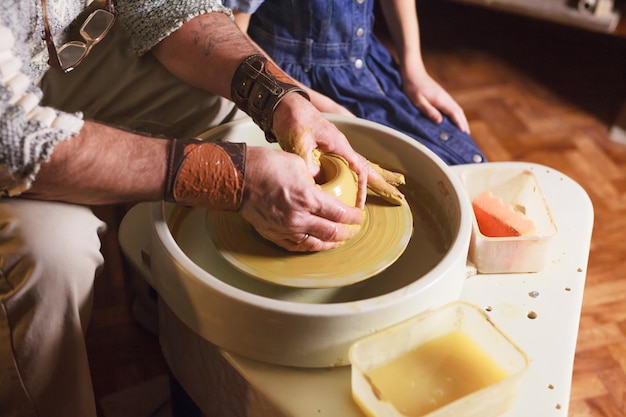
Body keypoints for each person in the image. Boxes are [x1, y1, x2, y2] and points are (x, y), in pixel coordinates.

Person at [0, 1, 404, 415]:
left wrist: (280, 97)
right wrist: (232, 180)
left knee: (226, 110)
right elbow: (9, 137)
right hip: (6, 123)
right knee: (52, 253)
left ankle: (168, 313)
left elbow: (165, 6)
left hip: (37, 61)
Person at [224, 0, 486, 165]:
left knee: (462, 162)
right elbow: (234, 32)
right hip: (290, 81)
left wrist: (414, 69)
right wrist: (309, 103)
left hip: (367, 64)